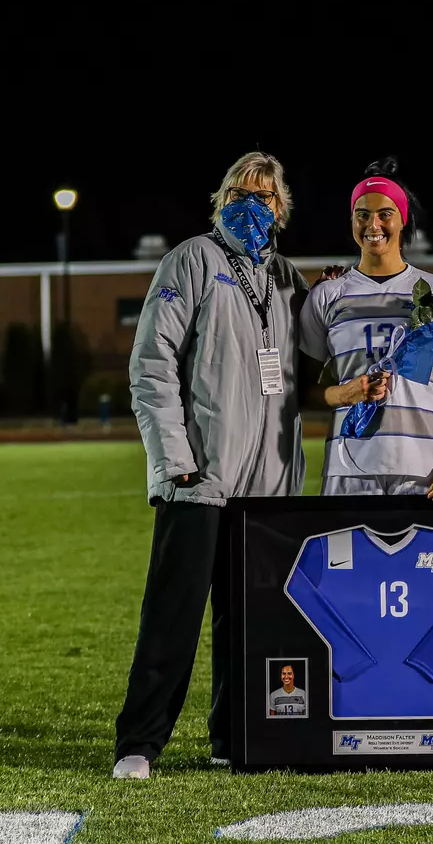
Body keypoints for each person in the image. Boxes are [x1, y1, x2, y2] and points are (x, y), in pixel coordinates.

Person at [113, 152, 308, 780]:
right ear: (220, 198)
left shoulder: (285, 277)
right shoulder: (192, 260)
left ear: (282, 209)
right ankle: (140, 743)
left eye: (266, 194)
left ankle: (234, 735)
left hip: (267, 488)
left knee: (250, 621)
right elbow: (151, 364)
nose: (253, 202)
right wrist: (176, 460)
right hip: (199, 477)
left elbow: (312, 359)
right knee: (173, 616)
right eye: (240, 190)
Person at [299, 158, 433, 502]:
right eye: (362, 214)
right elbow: (308, 392)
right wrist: (346, 394)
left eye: (384, 214)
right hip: (348, 467)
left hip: (423, 469)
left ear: (403, 219)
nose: (372, 224)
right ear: (351, 220)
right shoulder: (327, 295)